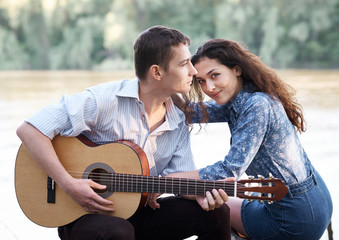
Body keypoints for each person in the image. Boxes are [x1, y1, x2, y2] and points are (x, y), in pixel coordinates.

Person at [16, 26, 231, 240]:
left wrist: (203, 194)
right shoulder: (105, 100)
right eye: (184, 64)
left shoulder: (178, 119)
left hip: (138, 214)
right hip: (83, 213)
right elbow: (30, 129)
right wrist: (68, 184)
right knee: (118, 231)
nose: (193, 71)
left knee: (216, 214)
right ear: (157, 72)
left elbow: (179, 179)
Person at [171, 39, 333, 240]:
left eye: (215, 75)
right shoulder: (242, 97)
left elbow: (229, 171)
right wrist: (168, 85)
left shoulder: (256, 105)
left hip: (293, 218)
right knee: (209, 197)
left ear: (237, 70)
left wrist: (171, 179)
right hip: (315, 199)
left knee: (205, 206)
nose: (209, 87)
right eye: (201, 81)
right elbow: (192, 112)